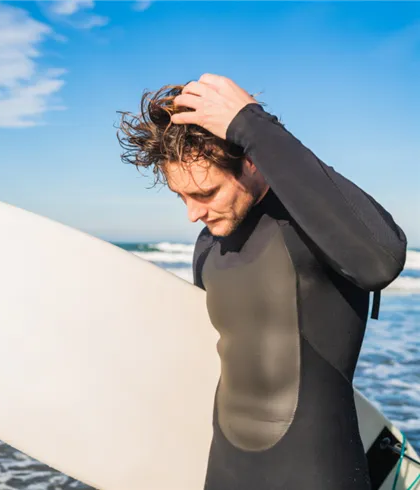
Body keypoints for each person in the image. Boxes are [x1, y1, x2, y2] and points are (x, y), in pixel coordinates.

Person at [116, 74, 407, 489]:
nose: (193, 214)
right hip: (225, 472)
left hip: (315, 474)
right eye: (182, 197)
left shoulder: (314, 228)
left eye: (205, 193)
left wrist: (251, 124)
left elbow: (381, 260)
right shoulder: (208, 246)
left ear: (251, 162)